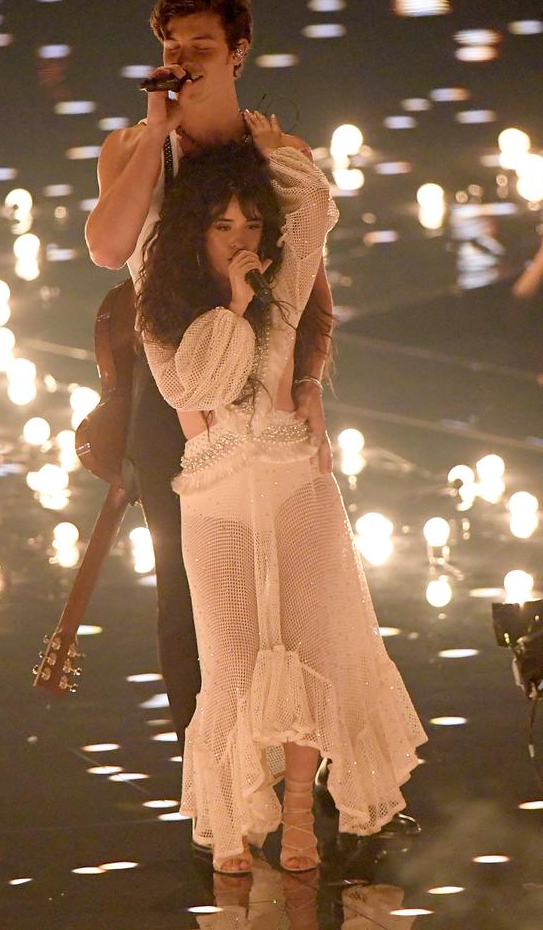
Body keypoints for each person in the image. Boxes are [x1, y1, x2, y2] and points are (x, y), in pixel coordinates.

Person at [136, 117, 427, 876]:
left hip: (297, 478)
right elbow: (191, 386)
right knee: (232, 659)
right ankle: (233, 819)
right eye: (223, 222)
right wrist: (232, 302)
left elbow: (313, 200)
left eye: (251, 222)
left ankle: (301, 815)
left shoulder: (285, 286)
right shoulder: (163, 302)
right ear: (195, 228)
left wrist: (271, 145)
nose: (240, 236)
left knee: (311, 648)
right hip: (214, 491)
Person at [85, 0, 334, 755]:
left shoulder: (278, 153)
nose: (184, 61)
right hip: (173, 390)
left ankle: (306, 772)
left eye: (200, 47)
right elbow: (108, 248)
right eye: (171, 48)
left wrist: (309, 382)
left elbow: (314, 285)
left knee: (293, 585)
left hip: (267, 386)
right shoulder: (132, 147)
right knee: (189, 589)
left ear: (237, 54)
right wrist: (157, 135)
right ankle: (214, 784)